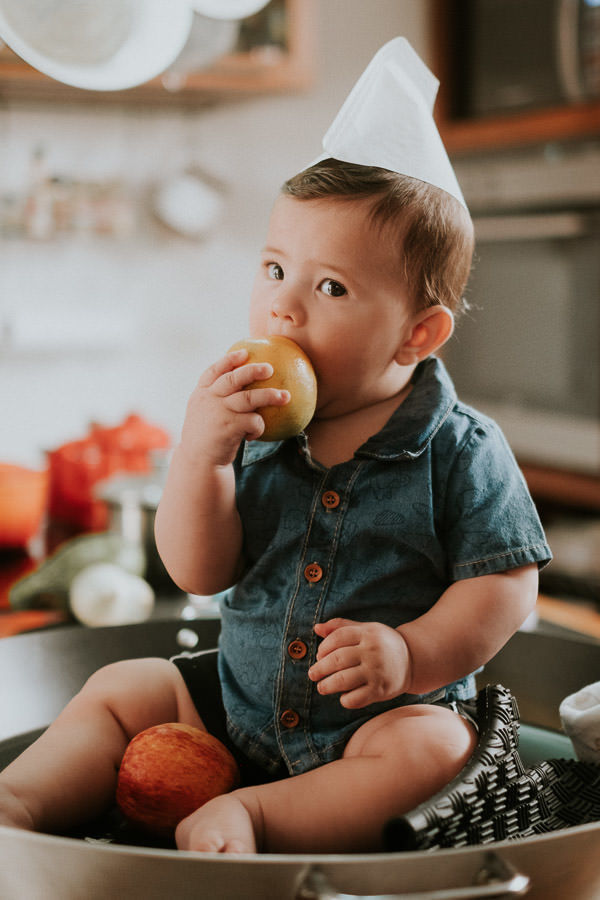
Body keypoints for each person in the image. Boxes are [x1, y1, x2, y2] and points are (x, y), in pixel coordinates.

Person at [0, 40, 551, 855]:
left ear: (417, 334)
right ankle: (17, 807)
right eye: (272, 269)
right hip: (238, 707)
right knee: (123, 688)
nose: (283, 309)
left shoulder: (462, 448)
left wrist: (411, 653)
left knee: (434, 751)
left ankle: (259, 816)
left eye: (330, 287)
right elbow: (199, 571)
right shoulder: (252, 425)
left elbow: (506, 584)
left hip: (380, 719)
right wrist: (202, 457)